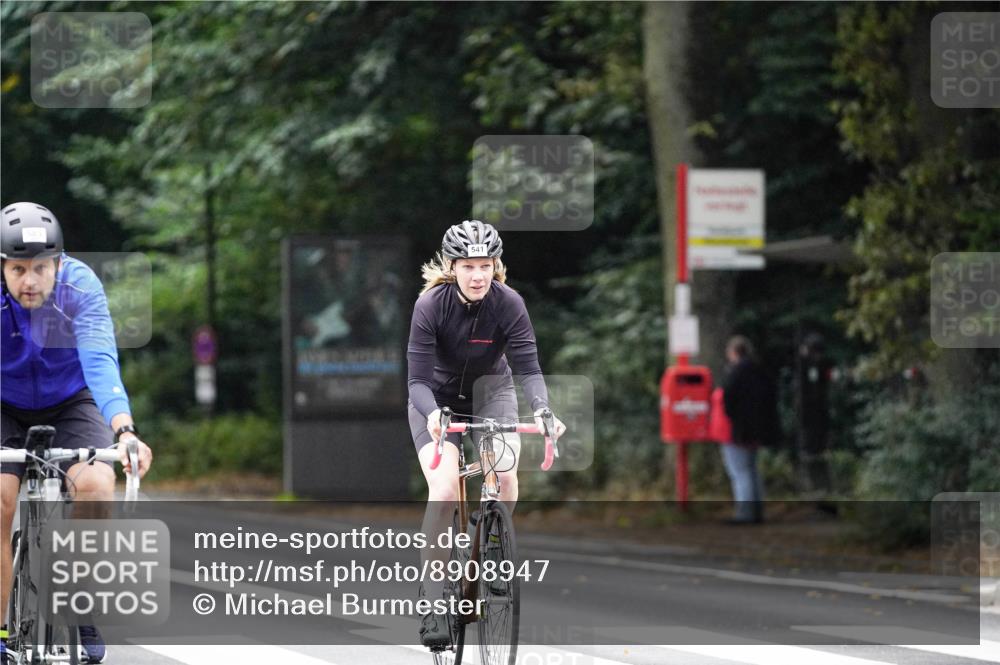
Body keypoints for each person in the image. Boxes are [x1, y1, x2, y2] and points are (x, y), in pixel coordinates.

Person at [0, 202, 153, 664]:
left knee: (96, 485)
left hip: (71, 400)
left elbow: (100, 357)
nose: (30, 281)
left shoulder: (80, 287)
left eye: (41, 268)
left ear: (59, 264)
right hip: (2, 403)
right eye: (19, 269)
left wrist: (124, 430)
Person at [406, 220, 565, 648]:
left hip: (492, 393)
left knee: (507, 474)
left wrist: (544, 410)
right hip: (434, 400)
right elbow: (416, 381)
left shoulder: (509, 303)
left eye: (486, 265)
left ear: (496, 265)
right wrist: (435, 414)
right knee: (442, 491)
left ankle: (491, 540)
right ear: (451, 266)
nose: (479, 276)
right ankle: (434, 600)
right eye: (469, 266)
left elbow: (528, 368)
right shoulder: (430, 306)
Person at [719, 336, 779, 525]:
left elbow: (728, 402)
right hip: (759, 430)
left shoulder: (736, 373)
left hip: (741, 430)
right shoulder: (760, 371)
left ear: (733, 353)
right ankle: (757, 511)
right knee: (752, 470)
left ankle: (744, 513)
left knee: (740, 472)